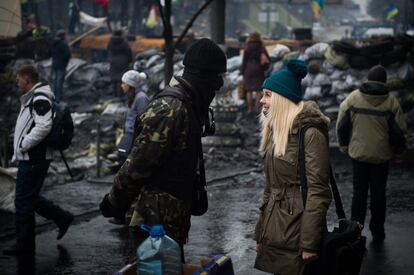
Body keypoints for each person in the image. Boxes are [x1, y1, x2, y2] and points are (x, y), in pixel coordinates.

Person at [99, 38, 227, 260]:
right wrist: (115, 201)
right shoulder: (170, 108)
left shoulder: (188, 103)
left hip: (168, 218)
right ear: (202, 76)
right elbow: (138, 164)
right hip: (152, 219)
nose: (218, 87)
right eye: (216, 79)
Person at [254, 60, 332, 275]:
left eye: (268, 94)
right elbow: (270, 190)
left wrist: (309, 243)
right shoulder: (276, 131)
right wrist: (261, 235)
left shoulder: (310, 133)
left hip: (297, 233)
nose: (262, 100)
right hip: (275, 231)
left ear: (283, 99)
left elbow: (318, 191)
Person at [3, 65, 74, 256]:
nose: (17, 83)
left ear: (26, 79)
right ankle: (62, 217)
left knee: (22, 200)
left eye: (19, 79)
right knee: (29, 197)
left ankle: (25, 245)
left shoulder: (40, 98)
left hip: (35, 157)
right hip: (33, 156)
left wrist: (24, 144)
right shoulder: (35, 97)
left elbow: (43, 126)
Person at [336, 65, 407, 243]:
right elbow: (399, 132)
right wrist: (399, 153)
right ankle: (378, 232)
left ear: (367, 79)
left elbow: (341, 125)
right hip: (381, 157)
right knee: (378, 194)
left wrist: (345, 146)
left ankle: (355, 232)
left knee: (358, 194)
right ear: (384, 81)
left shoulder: (353, 99)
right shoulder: (391, 102)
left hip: (358, 155)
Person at [118, 70, 149, 162]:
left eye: (124, 83)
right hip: (129, 134)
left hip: (134, 136)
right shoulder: (132, 96)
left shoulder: (141, 97)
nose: (121, 85)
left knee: (127, 160)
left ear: (131, 85)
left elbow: (144, 120)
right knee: (122, 157)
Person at [241, 32, 270, 114]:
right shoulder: (261, 47)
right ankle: (256, 109)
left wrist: (243, 72)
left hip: (249, 69)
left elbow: (244, 61)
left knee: (249, 90)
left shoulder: (247, 47)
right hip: (258, 69)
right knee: (258, 90)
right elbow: (267, 59)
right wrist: (265, 68)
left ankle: (249, 109)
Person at [107, 30, 132, 96]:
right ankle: (121, 94)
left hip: (113, 61)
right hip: (123, 61)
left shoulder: (110, 41)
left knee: (114, 78)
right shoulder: (124, 42)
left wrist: (110, 59)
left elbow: (108, 49)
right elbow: (128, 52)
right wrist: (130, 60)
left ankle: (115, 93)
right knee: (121, 78)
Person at [50, 29, 71, 102]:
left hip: (54, 64)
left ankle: (54, 96)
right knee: (59, 81)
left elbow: (50, 53)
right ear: (62, 36)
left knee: (55, 81)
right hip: (61, 65)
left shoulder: (53, 43)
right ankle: (57, 98)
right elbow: (67, 55)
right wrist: (65, 63)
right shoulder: (63, 44)